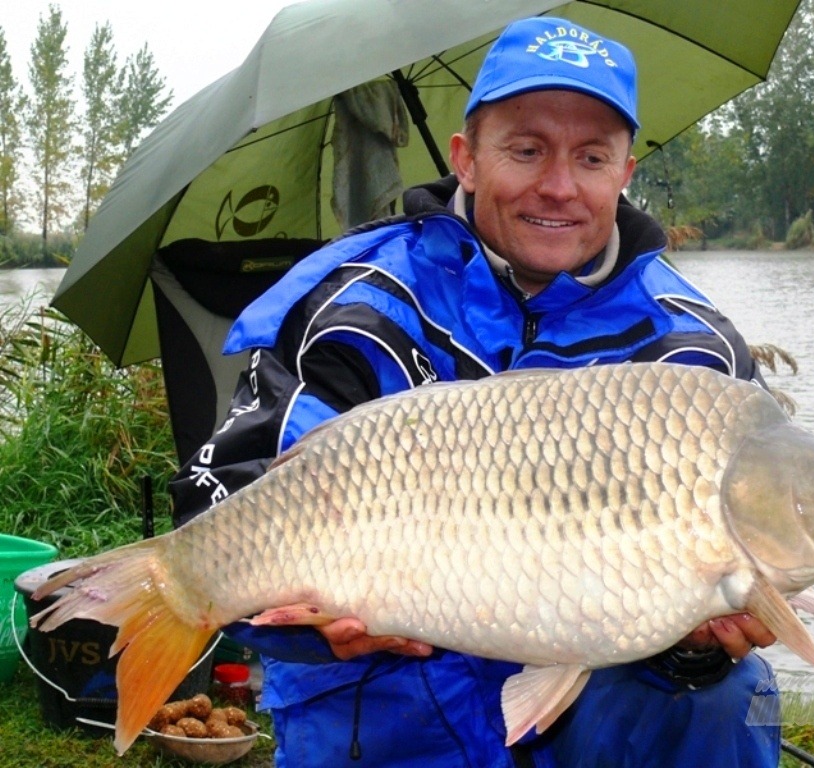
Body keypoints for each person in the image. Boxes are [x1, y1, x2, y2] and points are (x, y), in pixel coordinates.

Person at [171, 16, 781, 768]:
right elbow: (222, 505)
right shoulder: (358, 307)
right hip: (386, 712)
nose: (558, 186)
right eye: (526, 150)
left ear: (625, 172)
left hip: (595, 708)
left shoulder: (693, 353)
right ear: (466, 159)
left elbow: (725, 579)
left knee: (724, 693)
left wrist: (697, 647)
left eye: (591, 157)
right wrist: (301, 625)